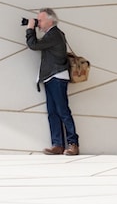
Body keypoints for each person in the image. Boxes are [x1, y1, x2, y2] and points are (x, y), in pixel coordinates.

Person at [24, 8, 78, 155]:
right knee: (53, 113)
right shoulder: (51, 35)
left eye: (40, 20)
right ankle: (58, 145)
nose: (38, 23)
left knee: (63, 111)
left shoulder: (54, 34)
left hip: (57, 77)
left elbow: (33, 45)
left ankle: (73, 144)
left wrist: (30, 28)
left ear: (50, 20)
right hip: (50, 77)